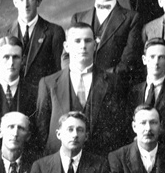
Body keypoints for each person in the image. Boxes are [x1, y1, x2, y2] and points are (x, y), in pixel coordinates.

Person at [35, 23, 126, 156]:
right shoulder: (48, 83)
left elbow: (118, 127)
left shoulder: (113, 82)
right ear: (66, 46)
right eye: (77, 41)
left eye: (88, 41)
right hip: (59, 162)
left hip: (99, 161)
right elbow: (41, 130)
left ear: (95, 46)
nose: (83, 46)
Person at [70, 0, 143, 82]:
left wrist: (99, 79)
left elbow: (128, 60)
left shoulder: (132, 18)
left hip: (114, 86)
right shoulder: (78, 18)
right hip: (80, 83)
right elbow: (67, 56)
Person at [0, 0, 66, 92]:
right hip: (11, 98)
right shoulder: (1, 33)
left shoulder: (54, 32)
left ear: (39, 1)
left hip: (42, 100)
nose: (26, 5)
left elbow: (59, 73)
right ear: (15, 2)